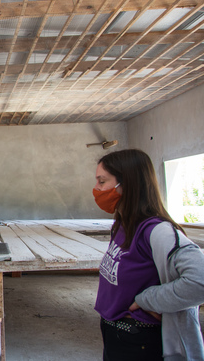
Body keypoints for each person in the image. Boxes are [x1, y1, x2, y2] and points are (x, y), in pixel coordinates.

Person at [93, 149, 204, 361]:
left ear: (128, 184)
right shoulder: (123, 225)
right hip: (115, 332)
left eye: (102, 181)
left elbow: (200, 281)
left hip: (139, 339)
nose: (96, 189)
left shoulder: (156, 230)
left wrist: (148, 300)